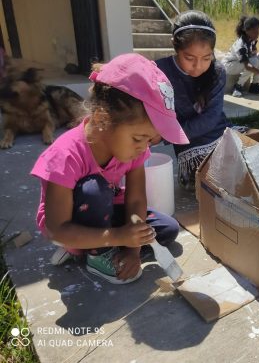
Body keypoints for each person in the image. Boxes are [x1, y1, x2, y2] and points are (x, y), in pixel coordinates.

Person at [31, 53, 189, 284]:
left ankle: (89, 243)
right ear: (103, 119)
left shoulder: (133, 149)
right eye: (138, 138)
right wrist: (119, 236)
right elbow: (56, 228)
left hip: (105, 210)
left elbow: (135, 200)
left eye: (150, 141)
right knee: (95, 188)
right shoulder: (64, 156)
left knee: (166, 229)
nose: (143, 148)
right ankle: (90, 252)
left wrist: (133, 247)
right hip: (66, 221)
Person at [156, 11, 246, 191]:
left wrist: (168, 135)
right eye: (189, 58)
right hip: (191, 145)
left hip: (220, 131)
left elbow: (211, 118)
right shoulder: (159, 71)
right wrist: (165, 134)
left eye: (206, 58)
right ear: (175, 46)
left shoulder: (218, 71)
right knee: (217, 184)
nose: (198, 66)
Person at [222, 16, 259, 97]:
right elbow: (247, 66)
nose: (257, 34)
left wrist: (254, 52)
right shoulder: (241, 45)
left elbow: (253, 53)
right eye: (254, 31)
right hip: (229, 65)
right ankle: (238, 86)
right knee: (254, 62)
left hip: (238, 63)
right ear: (246, 30)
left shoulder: (251, 40)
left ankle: (254, 85)